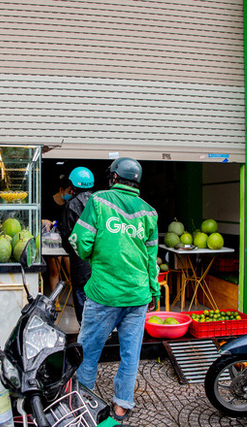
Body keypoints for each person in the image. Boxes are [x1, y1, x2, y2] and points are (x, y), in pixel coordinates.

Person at [69, 157, 159, 421]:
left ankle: (83, 397)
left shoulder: (98, 201)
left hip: (104, 293)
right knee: (130, 352)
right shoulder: (150, 212)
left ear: (115, 177)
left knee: (88, 349)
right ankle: (121, 405)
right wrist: (154, 291)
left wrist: (97, 252)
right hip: (138, 294)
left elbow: (80, 242)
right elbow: (151, 259)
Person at [59, 166, 95, 324]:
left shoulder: (71, 205)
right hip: (99, 259)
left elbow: (68, 238)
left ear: (72, 185)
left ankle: (85, 331)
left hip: (80, 261)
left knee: (81, 295)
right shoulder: (99, 202)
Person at [41, 175, 74, 295]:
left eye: (72, 191)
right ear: (61, 190)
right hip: (52, 240)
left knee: (71, 270)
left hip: (67, 239)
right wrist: (45, 221)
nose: (71, 193)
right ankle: (55, 301)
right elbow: (38, 219)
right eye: (69, 190)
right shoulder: (48, 201)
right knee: (55, 271)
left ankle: (74, 296)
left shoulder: (70, 203)